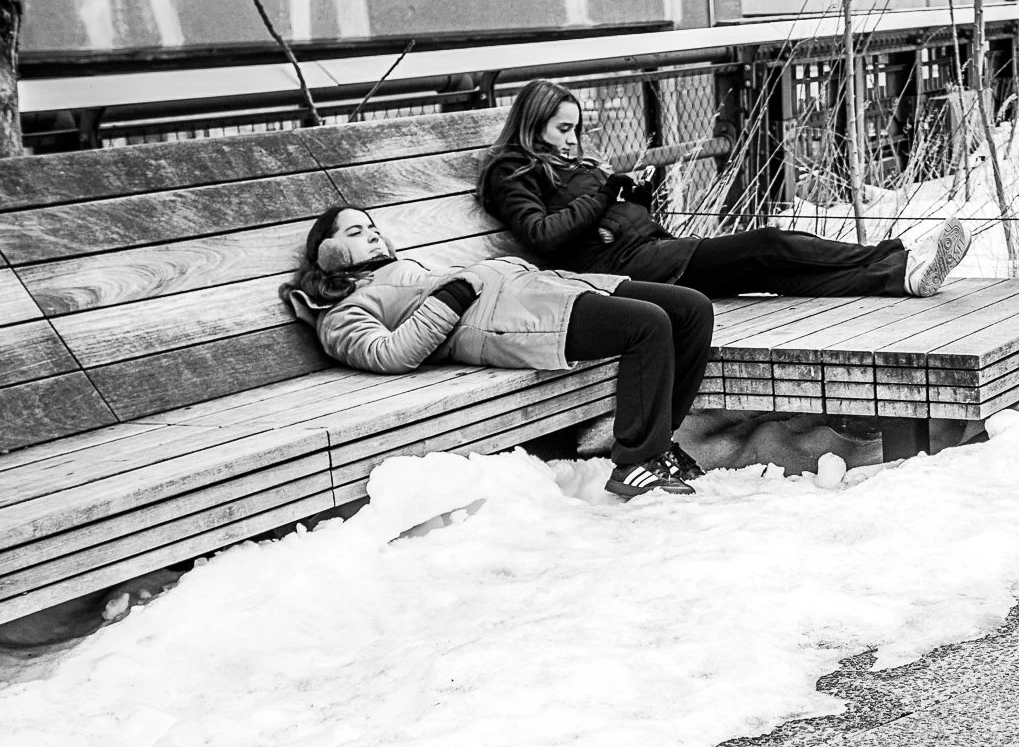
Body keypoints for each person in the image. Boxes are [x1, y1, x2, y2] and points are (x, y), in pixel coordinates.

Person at [282, 205, 712, 500]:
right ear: (329, 254)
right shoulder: (339, 314)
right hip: (509, 316)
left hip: (535, 286)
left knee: (692, 308)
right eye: (355, 233)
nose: (372, 236)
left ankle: (660, 447)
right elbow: (389, 354)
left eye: (374, 229)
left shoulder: (401, 269)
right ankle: (634, 462)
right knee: (648, 325)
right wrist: (455, 292)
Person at [478, 79, 970, 301]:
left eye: (576, 129)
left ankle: (900, 278)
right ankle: (898, 254)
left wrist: (634, 197)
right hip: (626, 274)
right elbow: (543, 235)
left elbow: (598, 212)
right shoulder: (514, 172)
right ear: (533, 122)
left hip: (653, 253)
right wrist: (607, 192)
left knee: (781, 274)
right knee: (770, 244)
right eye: (563, 129)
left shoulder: (568, 164)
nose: (572, 140)